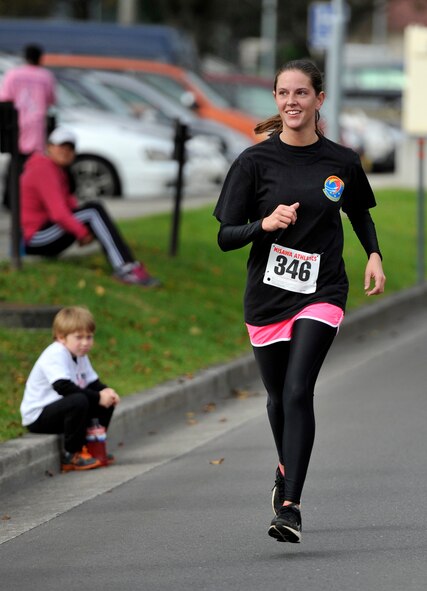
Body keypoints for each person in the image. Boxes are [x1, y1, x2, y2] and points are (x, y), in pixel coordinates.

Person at [213, 59, 386, 544]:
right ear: (275, 99)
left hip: (323, 289)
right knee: (275, 398)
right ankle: (285, 466)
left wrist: (373, 254)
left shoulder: (342, 162)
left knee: (296, 391)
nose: (292, 102)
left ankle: (290, 506)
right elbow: (226, 237)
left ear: (319, 100)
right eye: (284, 93)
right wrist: (263, 226)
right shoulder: (254, 162)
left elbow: (359, 213)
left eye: (302, 93)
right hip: (267, 297)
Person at [20, 126, 160, 287]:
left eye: (70, 148)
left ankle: (126, 265)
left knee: (92, 212)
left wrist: (84, 229)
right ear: (49, 147)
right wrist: (82, 232)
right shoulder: (43, 168)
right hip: (33, 239)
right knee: (93, 211)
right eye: (61, 146)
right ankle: (125, 268)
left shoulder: (57, 170)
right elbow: (59, 213)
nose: (65, 151)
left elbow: (70, 205)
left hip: (43, 234)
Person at [20, 306, 121, 471]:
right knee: (79, 400)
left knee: (105, 400)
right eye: (79, 337)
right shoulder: (55, 354)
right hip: (39, 417)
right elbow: (63, 387)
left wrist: (108, 392)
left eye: (89, 337)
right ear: (61, 337)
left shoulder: (80, 355)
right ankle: (71, 454)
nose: (85, 342)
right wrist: (97, 397)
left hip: (66, 412)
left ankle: (91, 449)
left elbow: (93, 383)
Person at [0, 43, 56, 209]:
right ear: (40, 58)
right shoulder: (46, 76)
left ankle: (10, 200)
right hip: (37, 125)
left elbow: (5, 97)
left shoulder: (13, 74)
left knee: (15, 163)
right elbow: (51, 100)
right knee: (35, 164)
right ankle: (32, 200)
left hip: (15, 124)